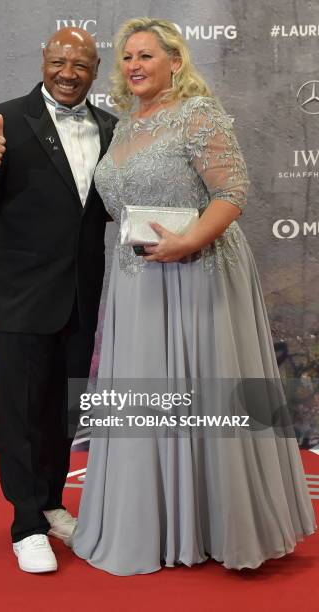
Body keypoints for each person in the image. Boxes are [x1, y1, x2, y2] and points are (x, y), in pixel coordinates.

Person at [72, 18, 316, 575]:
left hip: (199, 272)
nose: (133, 65)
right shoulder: (125, 127)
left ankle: (218, 524)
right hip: (138, 281)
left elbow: (231, 192)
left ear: (175, 62)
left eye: (146, 56)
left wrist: (188, 243)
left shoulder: (199, 114)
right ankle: (153, 525)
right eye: (127, 57)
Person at [0, 27, 117, 573]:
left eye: (82, 65)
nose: (69, 73)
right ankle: (25, 524)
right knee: (24, 413)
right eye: (59, 61)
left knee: (61, 412)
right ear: (45, 61)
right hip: (23, 294)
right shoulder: (3, 120)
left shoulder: (112, 128)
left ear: (95, 71)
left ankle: (50, 504)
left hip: (82, 296)